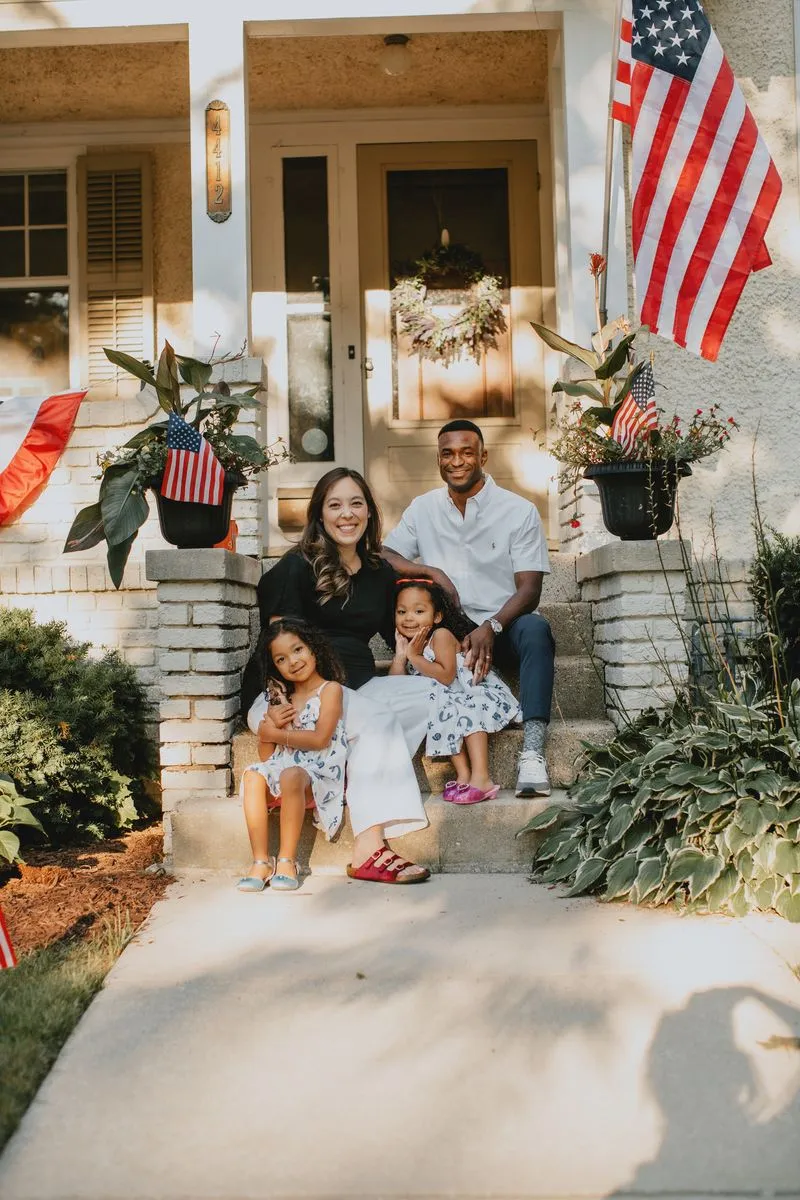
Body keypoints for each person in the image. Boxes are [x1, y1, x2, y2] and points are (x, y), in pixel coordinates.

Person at [243, 468, 432, 884]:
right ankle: (370, 845)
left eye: (356, 503)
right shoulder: (298, 567)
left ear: (369, 513)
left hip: (355, 689)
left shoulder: (379, 572)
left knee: (431, 696)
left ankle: (346, 765)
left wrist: (451, 635)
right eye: (335, 505)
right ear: (319, 515)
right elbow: (278, 646)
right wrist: (279, 705)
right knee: (377, 720)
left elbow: (400, 629)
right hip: (296, 692)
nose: (347, 514)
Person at [383, 419, 555, 797]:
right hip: (448, 631)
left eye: (466, 452)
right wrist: (428, 570)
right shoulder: (423, 508)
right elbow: (384, 555)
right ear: (438, 459)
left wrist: (491, 626)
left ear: (483, 456)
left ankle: (532, 752)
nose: (456, 461)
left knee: (537, 630)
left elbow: (530, 590)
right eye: (447, 453)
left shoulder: (518, 511)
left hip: (502, 624)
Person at [237, 620, 348, 892]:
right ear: (276, 667)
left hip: (318, 773)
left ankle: (287, 860)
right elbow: (267, 757)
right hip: (287, 772)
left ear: (313, 648)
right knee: (252, 775)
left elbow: (320, 739)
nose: (293, 661)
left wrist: (275, 733)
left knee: (290, 775)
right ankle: (261, 861)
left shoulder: (330, 690)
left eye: (298, 650)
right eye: (282, 659)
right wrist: (269, 728)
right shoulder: (280, 698)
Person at [390, 579, 521, 804]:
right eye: (402, 611)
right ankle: (464, 775)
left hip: (474, 693)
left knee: (464, 709)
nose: (409, 617)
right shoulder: (411, 644)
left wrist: (415, 657)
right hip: (447, 700)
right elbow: (395, 686)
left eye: (419, 611)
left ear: (437, 616)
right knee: (443, 712)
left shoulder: (440, 636)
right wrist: (401, 656)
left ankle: (482, 777)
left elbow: (446, 676)